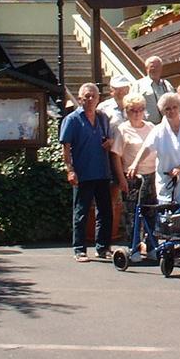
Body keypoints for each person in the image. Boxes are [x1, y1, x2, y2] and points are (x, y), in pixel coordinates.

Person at [61, 82, 116, 262]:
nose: (90, 99)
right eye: (87, 96)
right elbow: (66, 148)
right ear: (80, 99)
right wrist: (70, 170)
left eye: (94, 96)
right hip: (83, 173)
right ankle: (79, 249)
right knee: (81, 212)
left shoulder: (103, 118)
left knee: (105, 211)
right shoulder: (72, 119)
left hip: (102, 171)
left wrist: (109, 142)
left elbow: (109, 139)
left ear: (99, 98)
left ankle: (103, 247)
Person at [129, 92, 180, 210]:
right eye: (167, 108)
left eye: (174, 107)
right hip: (169, 182)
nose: (171, 111)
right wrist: (135, 164)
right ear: (162, 111)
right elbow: (147, 148)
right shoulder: (158, 130)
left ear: (179, 107)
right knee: (170, 223)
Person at [115, 93, 157, 251]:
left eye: (140, 109)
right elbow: (116, 156)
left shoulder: (151, 127)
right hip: (133, 177)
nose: (137, 113)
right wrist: (122, 179)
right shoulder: (123, 129)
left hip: (151, 175)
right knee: (132, 214)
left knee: (151, 211)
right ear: (127, 111)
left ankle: (151, 246)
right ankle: (133, 247)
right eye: (133, 110)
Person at [136, 55, 173, 123]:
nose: (155, 69)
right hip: (148, 127)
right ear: (146, 68)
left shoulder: (167, 84)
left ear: (161, 68)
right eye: (152, 67)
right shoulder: (138, 85)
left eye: (157, 66)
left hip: (168, 125)